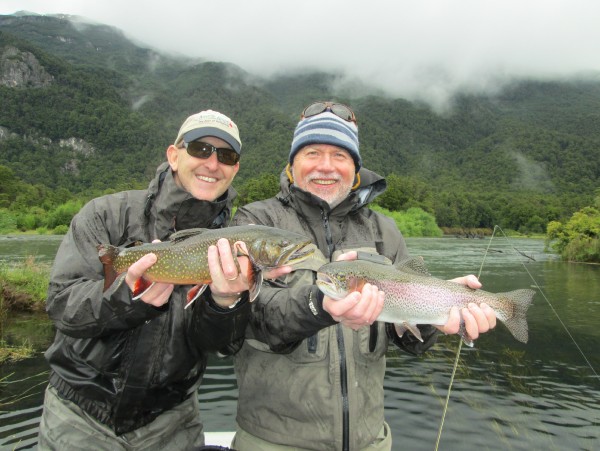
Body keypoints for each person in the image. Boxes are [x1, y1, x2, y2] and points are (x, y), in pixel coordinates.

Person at [230, 101, 497, 451]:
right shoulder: (257, 223)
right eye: (312, 152)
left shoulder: (383, 230)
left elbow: (410, 340)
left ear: (355, 168)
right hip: (273, 441)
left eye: (340, 156)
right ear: (292, 164)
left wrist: (441, 317)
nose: (326, 166)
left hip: (370, 440)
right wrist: (320, 306)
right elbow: (242, 321)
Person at [38, 110, 255, 450]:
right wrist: (125, 297)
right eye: (200, 149)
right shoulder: (105, 214)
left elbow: (222, 346)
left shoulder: (235, 242)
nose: (212, 164)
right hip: (79, 420)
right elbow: (63, 306)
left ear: (235, 168)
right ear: (173, 155)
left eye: (226, 155)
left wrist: (226, 303)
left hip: (173, 424)